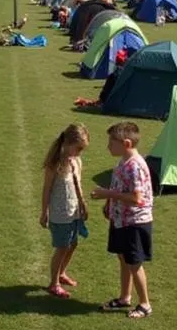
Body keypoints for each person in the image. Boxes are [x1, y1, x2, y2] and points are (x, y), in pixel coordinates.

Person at [91, 122, 153, 319]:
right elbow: (119, 186)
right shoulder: (122, 161)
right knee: (123, 259)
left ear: (126, 143)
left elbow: (136, 198)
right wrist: (109, 204)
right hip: (120, 220)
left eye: (112, 142)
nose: (108, 146)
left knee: (134, 263)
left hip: (134, 223)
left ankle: (144, 304)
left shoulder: (135, 166)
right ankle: (125, 297)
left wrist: (106, 194)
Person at [39, 124, 90, 299]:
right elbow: (46, 189)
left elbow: (78, 184)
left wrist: (82, 205)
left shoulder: (76, 161)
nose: (80, 152)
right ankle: (54, 283)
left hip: (73, 211)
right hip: (60, 213)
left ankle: (62, 272)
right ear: (68, 143)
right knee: (62, 246)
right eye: (79, 148)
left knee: (73, 243)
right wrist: (44, 211)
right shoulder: (56, 164)